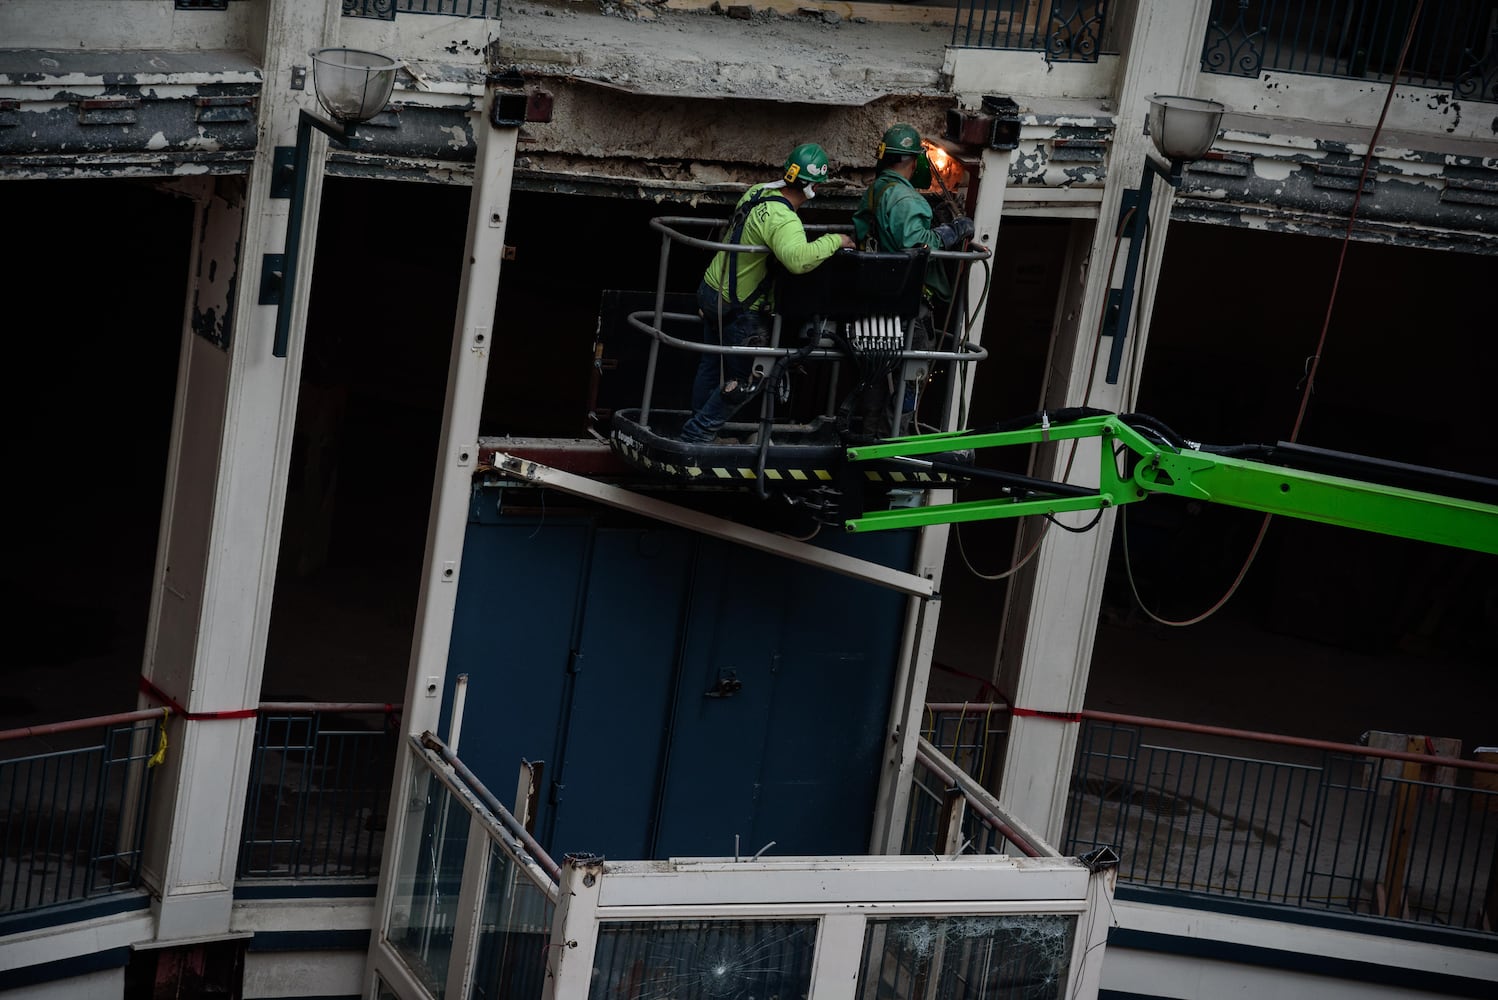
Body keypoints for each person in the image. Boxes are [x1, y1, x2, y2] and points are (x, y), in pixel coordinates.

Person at [679, 142, 855, 445]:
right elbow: (798, 260)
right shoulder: (784, 219)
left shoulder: (758, 192)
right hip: (739, 307)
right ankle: (699, 433)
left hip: (711, 292)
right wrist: (835, 240)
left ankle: (699, 427)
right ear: (813, 187)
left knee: (711, 365)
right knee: (748, 379)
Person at [852, 122, 975, 437]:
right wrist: (955, 230)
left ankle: (869, 433)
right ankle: (895, 436)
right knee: (914, 371)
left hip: (874, 297)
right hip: (907, 302)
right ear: (912, 160)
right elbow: (917, 245)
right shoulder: (906, 200)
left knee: (877, 367)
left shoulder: (876, 190)